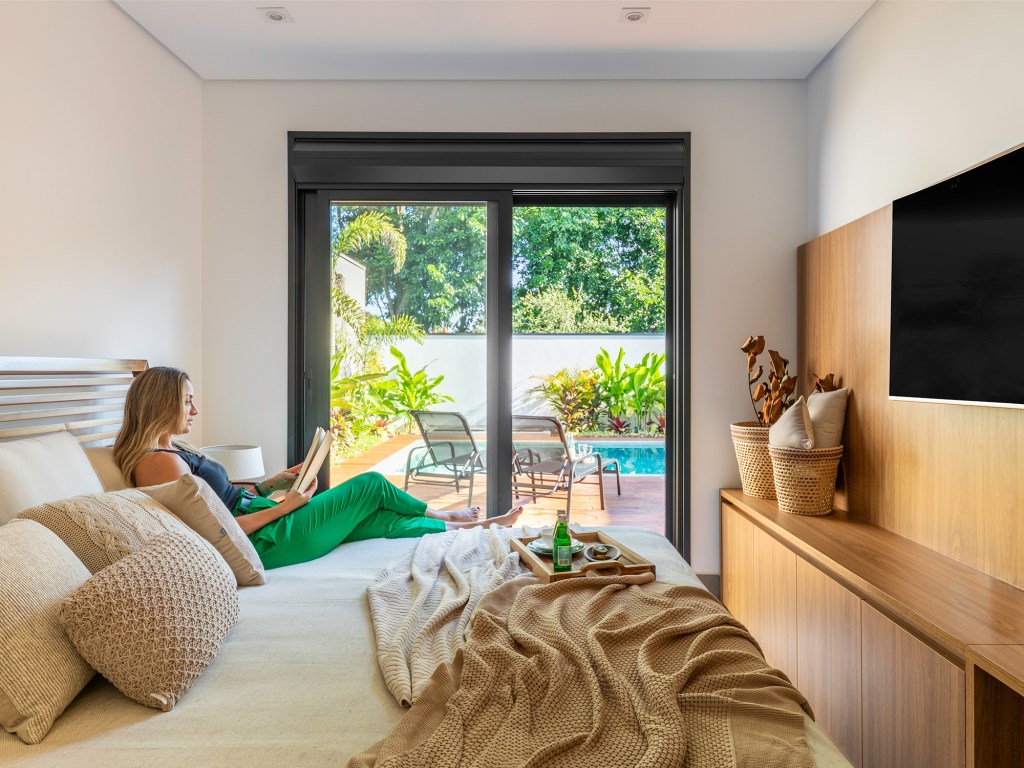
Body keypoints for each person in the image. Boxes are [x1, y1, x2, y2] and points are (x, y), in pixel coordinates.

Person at [114, 366, 523, 570]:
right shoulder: (157, 465)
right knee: (371, 486)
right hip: (263, 541)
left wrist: (274, 482)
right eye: (186, 400)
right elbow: (212, 530)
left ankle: (472, 528)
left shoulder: (172, 451)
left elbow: (225, 499)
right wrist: (285, 507)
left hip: (263, 520)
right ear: (161, 404)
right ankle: (443, 513)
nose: (194, 409)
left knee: (374, 516)